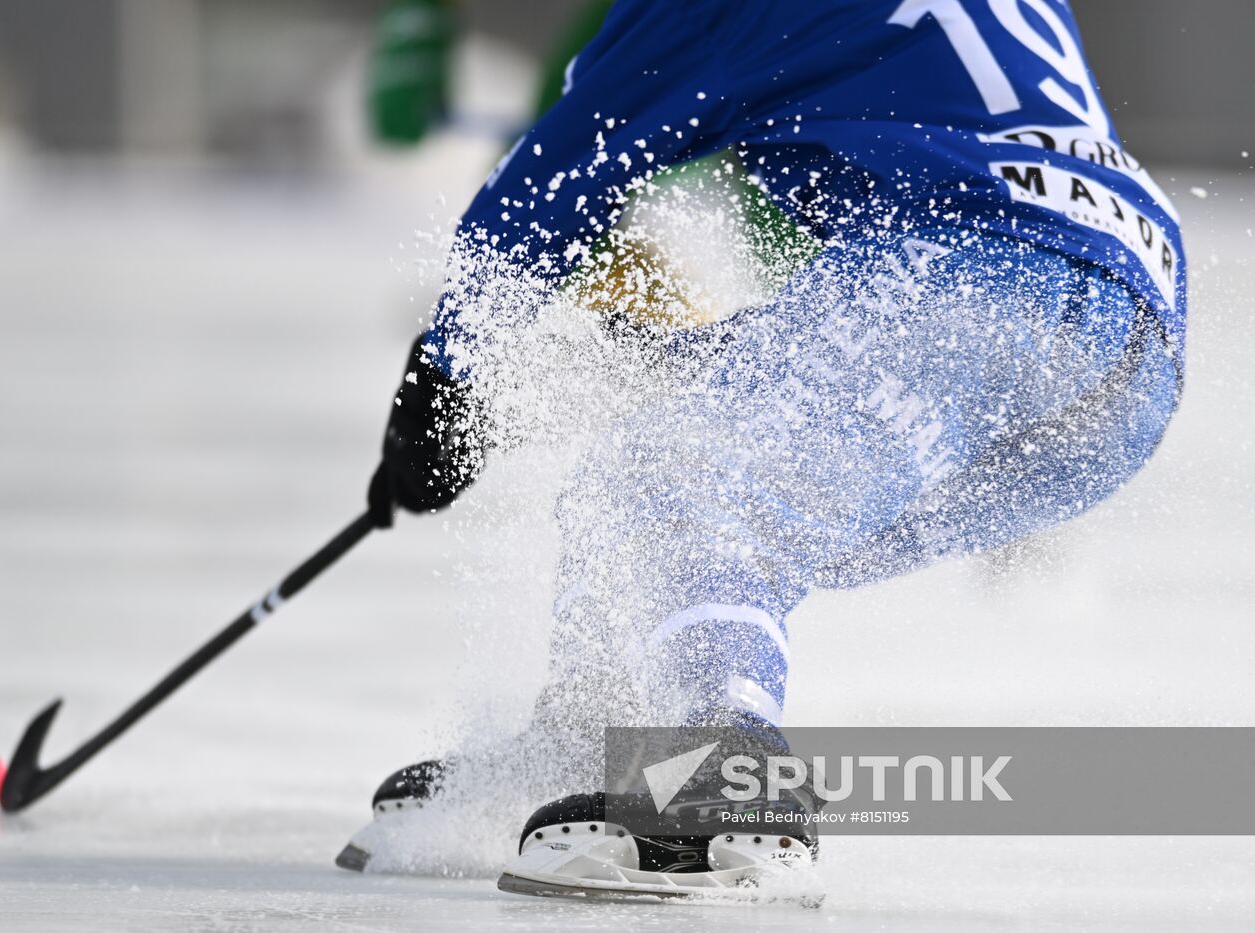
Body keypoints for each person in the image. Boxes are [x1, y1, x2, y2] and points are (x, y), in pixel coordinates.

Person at [355, 0, 1184, 898]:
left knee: (689, 488)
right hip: (1129, 359)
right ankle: (587, 741)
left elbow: (564, 162)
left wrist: (442, 385)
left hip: (968, 270)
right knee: (644, 475)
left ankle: (727, 785)